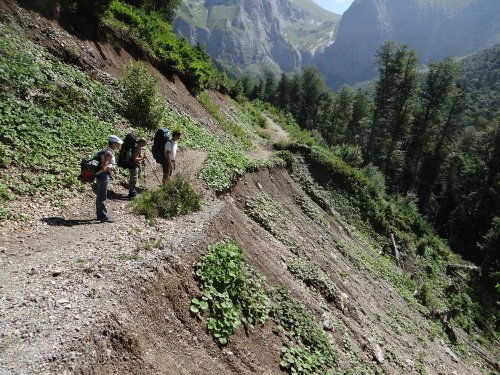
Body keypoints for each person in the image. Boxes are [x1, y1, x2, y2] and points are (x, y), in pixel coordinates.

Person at [95, 135, 122, 223]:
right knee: (102, 196)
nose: (119, 145)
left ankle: (100, 215)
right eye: (118, 144)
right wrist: (112, 167)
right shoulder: (108, 153)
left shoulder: (106, 151)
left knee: (100, 196)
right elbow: (104, 168)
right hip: (103, 175)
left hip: (101, 176)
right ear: (113, 144)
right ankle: (103, 216)